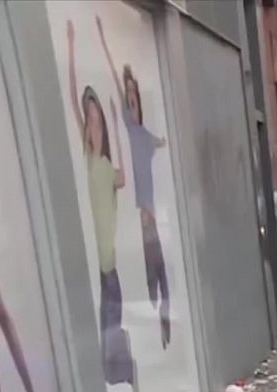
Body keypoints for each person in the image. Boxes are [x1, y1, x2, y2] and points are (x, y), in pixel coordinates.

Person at [66, 18, 140, 392]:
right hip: (97, 258)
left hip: (109, 259)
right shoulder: (88, 155)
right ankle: (120, 377)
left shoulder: (109, 164)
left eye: (95, 119)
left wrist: (114, 119)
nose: (91, 123)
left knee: (109, 323)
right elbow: (70, 90)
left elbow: (125, 179)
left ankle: (125, 374)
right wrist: (72, 46)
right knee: (105, 322)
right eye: (88, 117)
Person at [98, 16, 170, 348]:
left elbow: (161, 144)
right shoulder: (129, 129)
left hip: (152, 211)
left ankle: (164, 320)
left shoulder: (143, 134)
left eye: (134, 98)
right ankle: (160, 318)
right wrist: (103, 40)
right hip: (143, 212)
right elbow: (116, 79)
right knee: (151, 268)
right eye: (128, 99)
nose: (131, 103)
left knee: (159, 268)